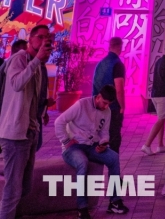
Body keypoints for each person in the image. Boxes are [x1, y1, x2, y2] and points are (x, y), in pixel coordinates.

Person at [0, 24, 52, 219]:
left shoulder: (38, 66)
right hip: (14, 135)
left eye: (48, 39)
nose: (45, 42)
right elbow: (16, 84)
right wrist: (37, 60)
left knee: (25, 187)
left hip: (29, 132)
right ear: (30, 40)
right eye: (40, 37)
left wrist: (43, 112)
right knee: (13, 189)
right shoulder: (19, 59)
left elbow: (33, 98)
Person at [55, 84, 129, 219]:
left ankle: (114, 201)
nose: (106, 107)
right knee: (82, 163)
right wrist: (66, 140)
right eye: (105, 103)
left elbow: (104, 132)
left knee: (114, 158)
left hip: (92, 146)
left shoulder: (107, 111)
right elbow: (59, 122)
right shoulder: (81, 105)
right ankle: (82, 208)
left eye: (109, 104)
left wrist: (103, 143)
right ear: (98, 97)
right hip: (73, 147)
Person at [142, 41, 165, 155]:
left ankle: (160, 145)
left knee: (161, 118)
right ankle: (147, 145)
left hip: (155, 94)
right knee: (161, 119)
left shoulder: (159, 61)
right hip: (162, 95)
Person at [92, 38, 125, 154]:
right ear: (120, 47)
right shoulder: (117, 64)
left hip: (97, 106)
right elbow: (119, 89)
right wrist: (122, 106)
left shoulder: (100, 64)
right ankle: (113, 168)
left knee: (99, 138)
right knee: (114, 139)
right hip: (113, 107)